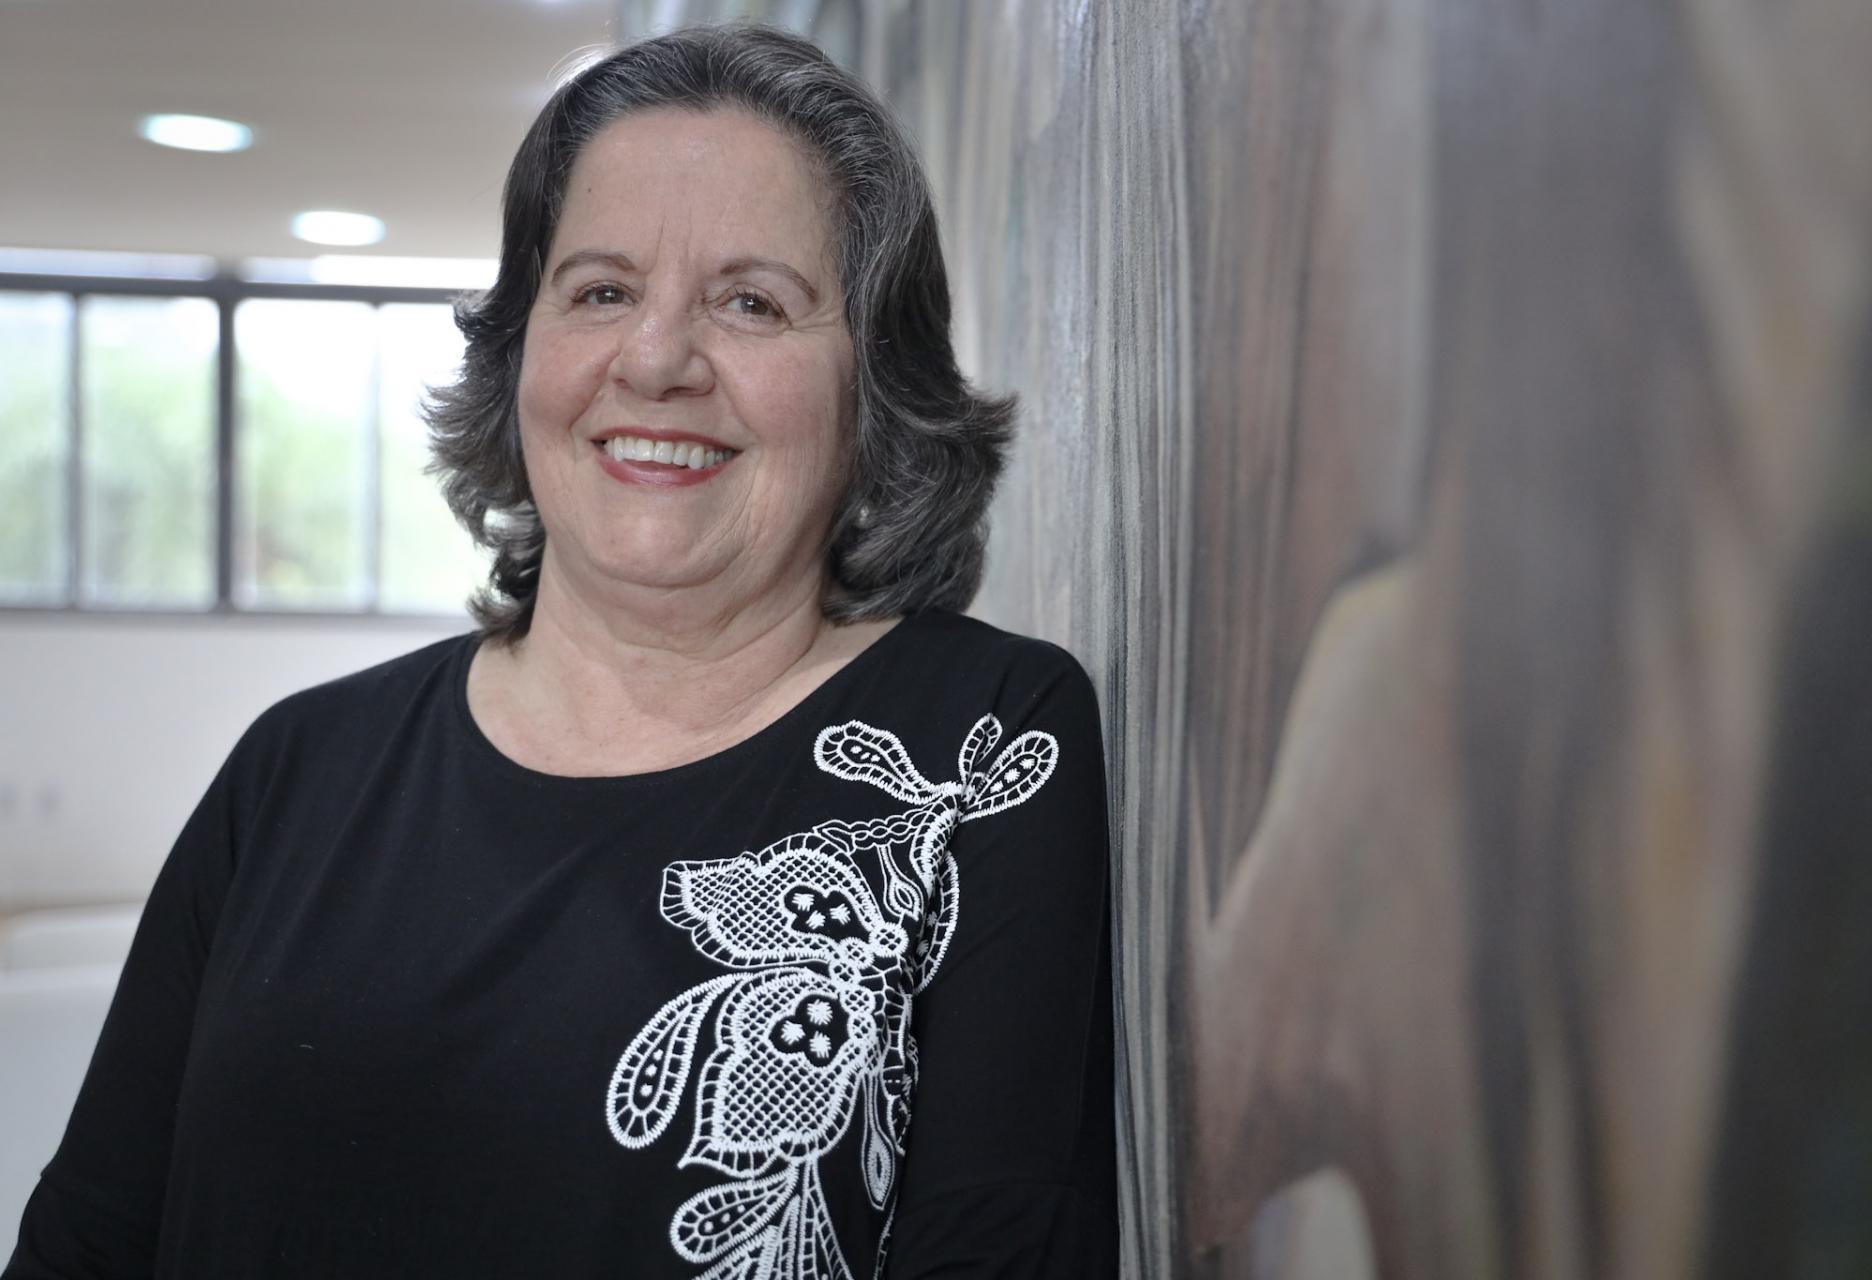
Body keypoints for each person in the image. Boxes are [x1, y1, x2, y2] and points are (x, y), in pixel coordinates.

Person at [4, 25, 1117, 1279]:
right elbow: (85, 1244)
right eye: (599, 290)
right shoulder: (298, 769)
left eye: (751, 301)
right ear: (519, 351)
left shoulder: (979, 748)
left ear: (875, 386)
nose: (655, 358)